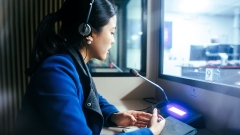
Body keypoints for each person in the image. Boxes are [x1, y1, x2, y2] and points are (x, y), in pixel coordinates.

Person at [13, 0, 166, 135]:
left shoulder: (73, 64)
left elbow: (93, 98)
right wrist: (150, 132)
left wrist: (114, 115)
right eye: (112, 32)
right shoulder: (55, 72)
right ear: (89, 32)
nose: (112, 40)